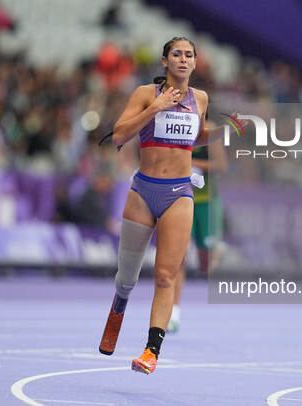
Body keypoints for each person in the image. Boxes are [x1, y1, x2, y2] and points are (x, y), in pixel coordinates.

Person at [98, 37, 239, 375]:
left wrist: (223, 131)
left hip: (179, 193)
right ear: (165, 61)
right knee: (127, 278)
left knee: (165, 276)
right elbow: (118, 136)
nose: (183, 59)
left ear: (194, 62)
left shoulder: (200, 99)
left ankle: (151, 351)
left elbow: (196, 135)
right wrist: (155, 108)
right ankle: (119, 305)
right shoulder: (146, 94)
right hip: (144, 192)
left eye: (189, 55)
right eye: (177, 54)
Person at [168, 137, 227, 333]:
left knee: (205, 266)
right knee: (179, 256)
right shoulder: (178, 126)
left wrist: (192, 163)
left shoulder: (210, 131)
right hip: (182, 197)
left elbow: (220, 165)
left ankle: (216, 247)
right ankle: (173, 313)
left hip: (207, 202)